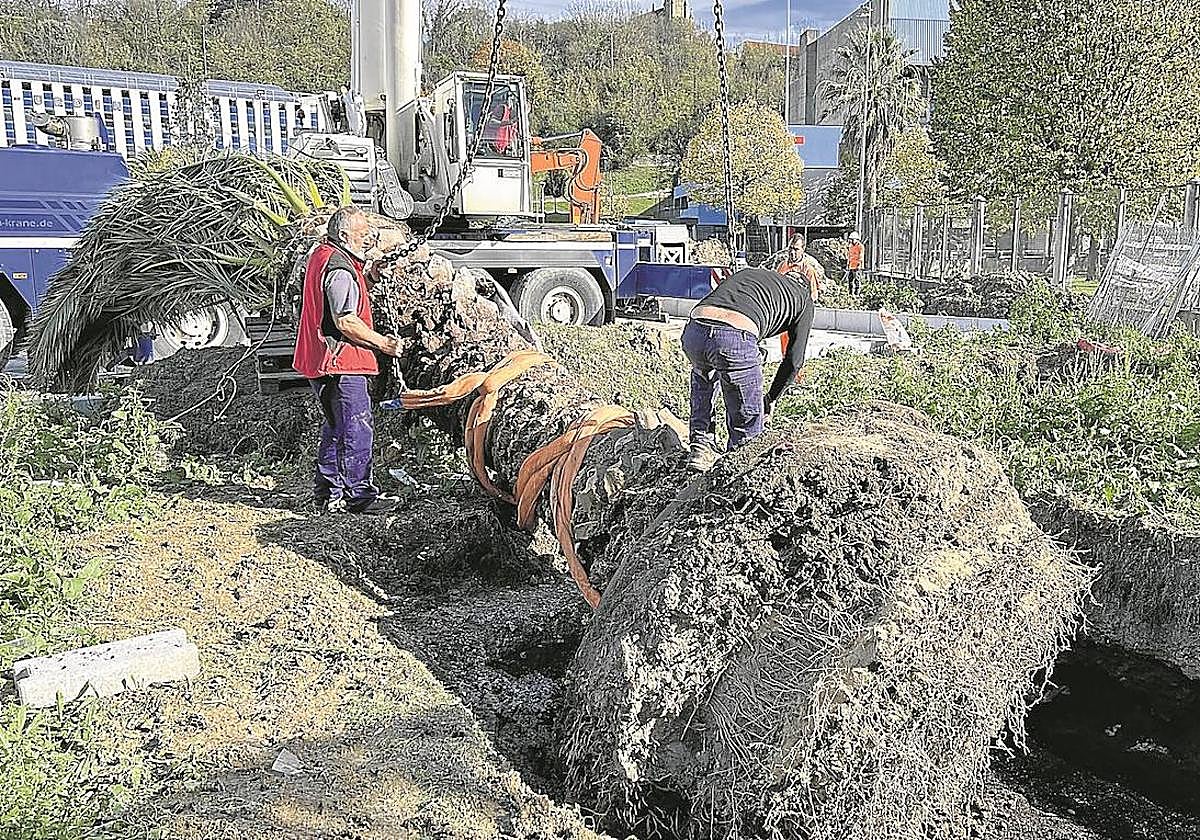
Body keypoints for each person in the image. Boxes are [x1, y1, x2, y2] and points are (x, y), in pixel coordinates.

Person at [292, 206, 400, 515]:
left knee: (336, 426)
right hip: (340, 362)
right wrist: (383, 343)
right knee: (356, 428)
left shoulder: (324, 254)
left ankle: (328, 494)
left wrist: (370, 274)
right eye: (362, 234)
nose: (367, 238)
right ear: (343, 235)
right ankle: (360, 497)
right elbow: (345, 321)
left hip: (321, 358)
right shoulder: (340, 269)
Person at [681, 265, 815, 472]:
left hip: (695, 330)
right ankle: (737, 471)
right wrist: (770, 399)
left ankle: (700, 447)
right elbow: (794, 361)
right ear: (806, 287)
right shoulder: (803, 298)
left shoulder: (752, 274)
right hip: (734, 337)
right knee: (747, 431)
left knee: (704, 375)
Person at [776, 233, 823, 303]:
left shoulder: (808, 270)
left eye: (796, 249)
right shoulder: (781, 266)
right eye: (790, 248)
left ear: (803, 249)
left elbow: (814, 295)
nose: (792, 252)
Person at [847, 231, 865, 295]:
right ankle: (850, 293)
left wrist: (859, 264)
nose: (851, 241)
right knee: (850, 280)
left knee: (857, 280)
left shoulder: (860, 246)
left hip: (857, 266)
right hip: (851, 265)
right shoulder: (851, 246)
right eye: (851, 239)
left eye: (852, 239)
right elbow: (849, 255)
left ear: (856, 239)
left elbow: (861, 256)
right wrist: (848, 264)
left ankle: (857, 293)